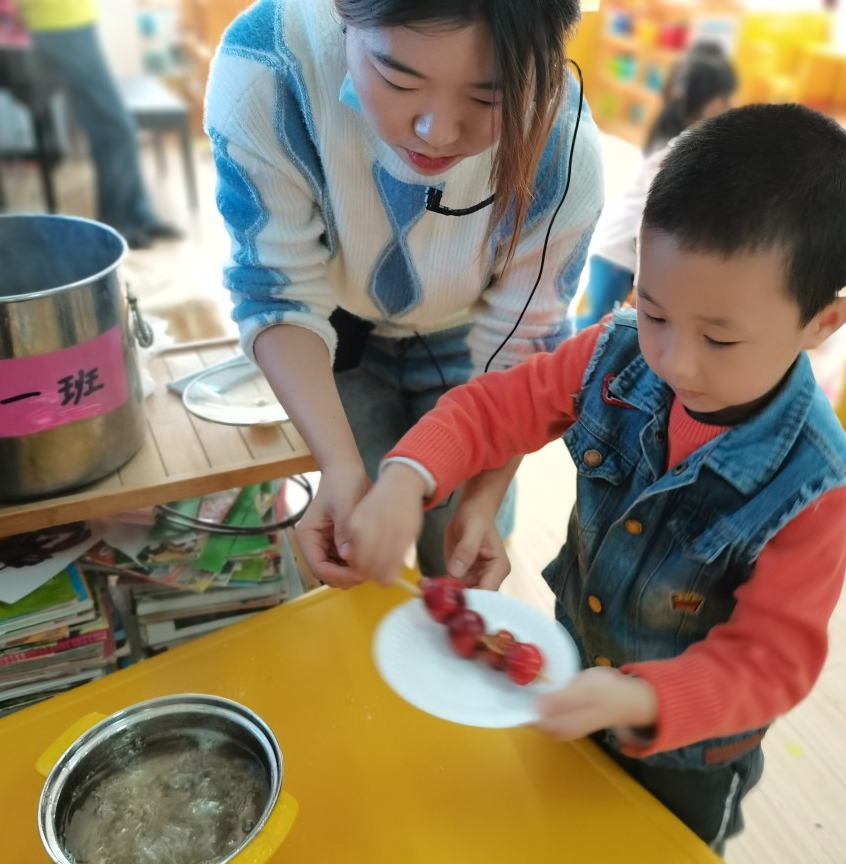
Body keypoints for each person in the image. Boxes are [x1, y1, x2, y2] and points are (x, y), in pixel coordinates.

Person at [347, 104, 846, 854]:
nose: (674, 360)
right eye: (653, 311)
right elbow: (494, 409)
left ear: (823, 323)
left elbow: (772, 663)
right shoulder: (615, 353)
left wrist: (640, 698)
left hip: (685, 755)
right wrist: (406, 477)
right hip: (573, 679)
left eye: (720, 337)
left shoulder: (815, 488)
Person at [204, 0, 604, 586]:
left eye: (490, 98)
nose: (437, 133)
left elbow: (526, 341)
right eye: (398, 79)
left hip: (473, 345)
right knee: (355, 530)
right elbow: (275, 287)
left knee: (458, 553)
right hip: (335, 334)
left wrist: (482, 502)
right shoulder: (269, 69)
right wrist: (338, 466)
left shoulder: (564, 149)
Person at [575, 49, 736, 329]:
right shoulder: (682, 149)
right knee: (592, 329)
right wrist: (645, 281)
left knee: (614, 329)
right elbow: (651, 217)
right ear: (702, 100)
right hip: (617, 253)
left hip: (634, 254)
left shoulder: (690, 140)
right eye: (723, 99)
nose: (729, 106)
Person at [13, 0, 181, 249]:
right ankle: (119, 224)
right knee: (115, 129)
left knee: (111, 129)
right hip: (59, 21)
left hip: (69, 20)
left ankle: (138, 217)